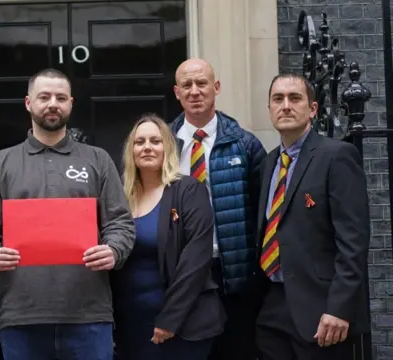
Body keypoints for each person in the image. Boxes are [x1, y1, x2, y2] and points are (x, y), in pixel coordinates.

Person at [0, 68, 136, 360]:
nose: (52, 104)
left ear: (71, 103)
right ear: (28, 103)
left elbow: (121, 223)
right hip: (21, 316)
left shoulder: (97, 159)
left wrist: (114, 250)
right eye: (44, 97)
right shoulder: (0, 163)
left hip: (89, 315)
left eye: (60, 97)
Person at [255, 73, 370, 360]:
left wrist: (339, 308)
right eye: (277, 99)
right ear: (269, 109)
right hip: (272, 308)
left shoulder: (337, 156)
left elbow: (353, 242)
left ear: (313, 109)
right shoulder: (268, 163)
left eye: (295, 98)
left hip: (321, 313)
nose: (285, 106)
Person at [168, 58, 267, 360]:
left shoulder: (245, 144)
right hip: (179, 273)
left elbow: (262, 212)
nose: (195, 91)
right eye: (187, 85)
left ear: (216, 87)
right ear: (176, 92)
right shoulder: (162, 145)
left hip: (230, 275)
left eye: (202, 83)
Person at [112, 114, 226, 360]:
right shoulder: (119, 197)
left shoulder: (188, 191)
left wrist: (170, 319)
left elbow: (195, 260)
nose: (147, 147)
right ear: (130, 150)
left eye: (156, 141)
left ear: (168, 147)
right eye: (139, 142)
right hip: (130, 325)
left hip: (181, 325)